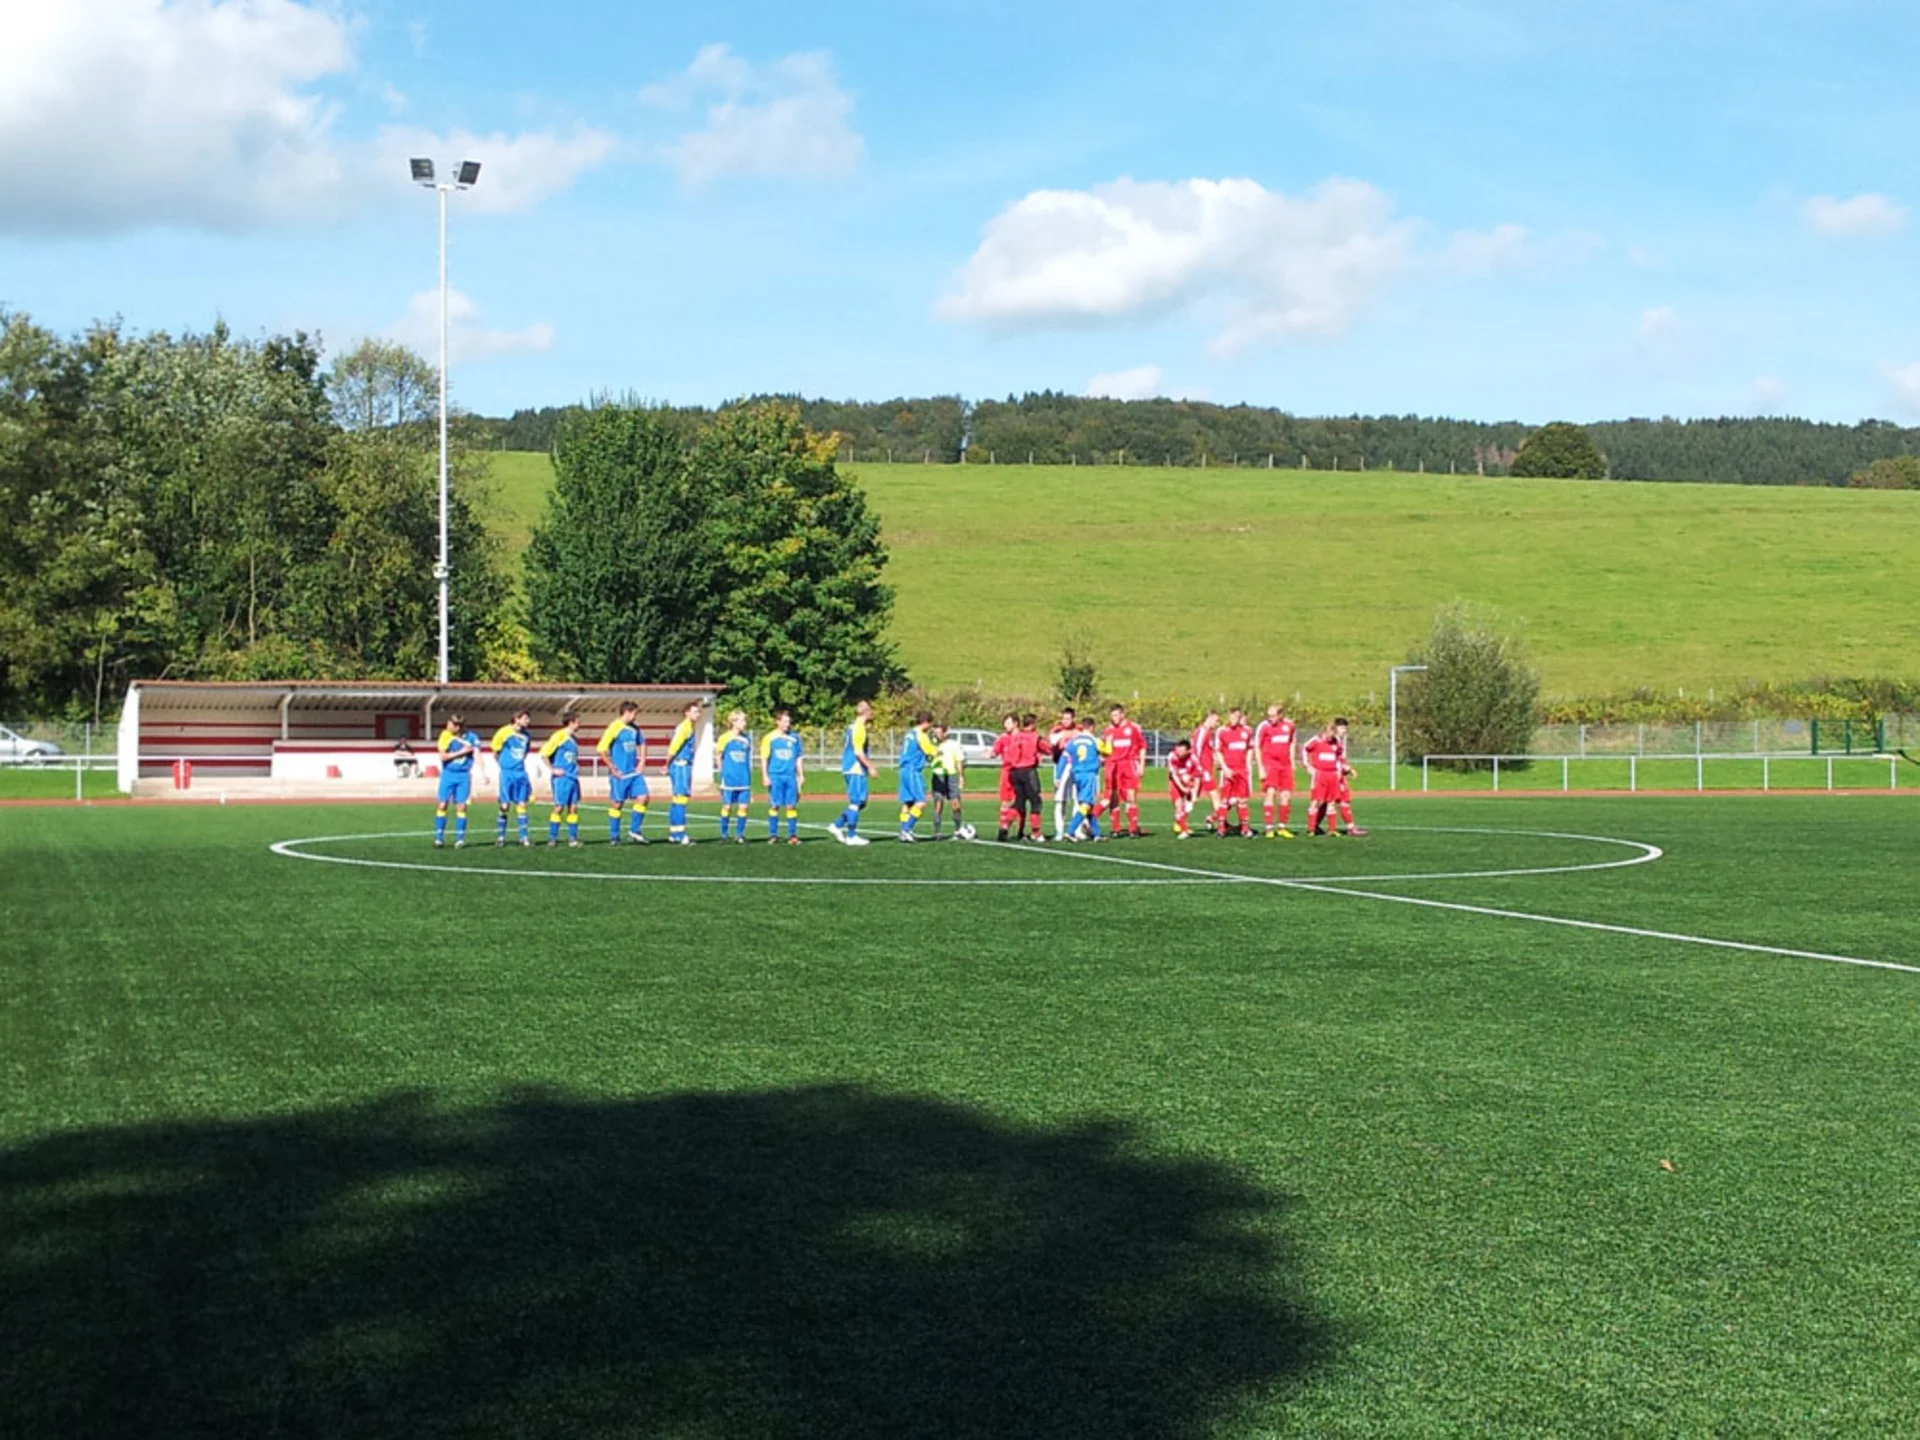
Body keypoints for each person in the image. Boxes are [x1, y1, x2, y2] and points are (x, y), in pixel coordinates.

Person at [598, 701, 650, 845]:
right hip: (620, 774)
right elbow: (601, 749)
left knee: (644, 797)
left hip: (634, 773)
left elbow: (643, 743)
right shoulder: (614, 727)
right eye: (635, 713)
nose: (636, 716)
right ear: (627, 712)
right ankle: (614, 836)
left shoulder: (635, 728)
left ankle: (635, 831)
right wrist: (612, 767)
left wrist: (642, 760)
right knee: (617, 804)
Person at [830, 700, 875, 847]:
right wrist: (870, 767)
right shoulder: (859, 728)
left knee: (861, 802)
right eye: (870, 710)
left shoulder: (853, 726)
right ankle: (851, 835)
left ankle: (837, 825)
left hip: (851, 767)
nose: (872, 713)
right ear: (866, 712)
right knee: (856, 802)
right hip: (855, 768)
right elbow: (858, 752)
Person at [432, 714, 480, 847]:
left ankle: (460, 839)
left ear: (458, 727)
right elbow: (443, 756)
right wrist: (461, 752)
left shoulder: (471, 737)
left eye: (451, 724)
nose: (448, 726)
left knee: (461, 806)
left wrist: (483, 772)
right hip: (448, 774)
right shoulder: (445, 735)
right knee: (442, 804)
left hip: (463, 775)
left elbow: (477, 753)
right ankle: (439, 838)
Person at [1102, 703, 1147, 838]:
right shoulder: (1108, 731)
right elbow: (1105, 750)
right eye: (1112, 715)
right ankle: (1115, 829)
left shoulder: (1132, 729)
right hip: (1114, 766)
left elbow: (1142, 746)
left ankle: (1133, 829)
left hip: (1129, 764)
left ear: (1122, 714)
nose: (1114, 718)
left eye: (1116, 715)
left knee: (1131, 796)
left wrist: (1142, 764)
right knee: (1114, 797)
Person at [761, 709, 805, 844]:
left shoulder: (795, 738)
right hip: (775, 775)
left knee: (791, 805)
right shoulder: (769, 738)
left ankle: (792, 835)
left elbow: (798, 757)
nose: (787, 724)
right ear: (777, 722)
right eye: (785, 721)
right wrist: (765, 776)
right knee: (775, 805)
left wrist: (801, 774)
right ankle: (773, 835)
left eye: (789, 721)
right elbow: (764, 758)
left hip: (790, 776)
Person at [1000, 713, 1046, 842]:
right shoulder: (1035, 737)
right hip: (1028, 771)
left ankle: (1005, 826)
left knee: (1019, 801)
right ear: (1033, 724)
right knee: (1036, 802)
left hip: (1014, 772)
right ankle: (1036, 833)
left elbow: (1010, 754)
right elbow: (1047, 749)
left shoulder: (1015, 736)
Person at [1255, 702, 1298, 840]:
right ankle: (1269, 828)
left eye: (1273, 716)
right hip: (1270, 764)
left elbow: (1292, 742)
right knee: (1271, 793)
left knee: (1286, 795)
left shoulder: (1289, 725)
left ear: (1280, 715)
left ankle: (1282, 827)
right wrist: (1260, 767)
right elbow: (1257, 746)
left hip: (1285, 765)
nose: (1270, 718)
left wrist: (1292, 760)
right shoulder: (1264, 726)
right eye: (1269, 715)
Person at [491, 710, 533, 847]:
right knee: (505, 805)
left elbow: (525, 752)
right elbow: (495, 751)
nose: (528, 721)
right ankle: (501, 837)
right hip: (507, 773)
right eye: (525, 718)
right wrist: (504, 765)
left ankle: (524, 837)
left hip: (520, 772)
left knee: (522, 804)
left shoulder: (527, 736)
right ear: (516, 719)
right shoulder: (504, 732)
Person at [540, 712, 584, 847]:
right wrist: (553, 769)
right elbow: (544, 753)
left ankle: (573, 839)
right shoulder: (559, 736)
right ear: (571, 722)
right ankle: (552, 838)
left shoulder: (574, 739)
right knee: (559, 807)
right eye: (577, 722)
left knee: (573, 808)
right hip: (562, 778)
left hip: (573, 777)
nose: (579, 725)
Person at [1304, 720, 1352, 837]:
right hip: (1319, 774)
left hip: (1333, 775)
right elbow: (1305, 749)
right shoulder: (1316, 740)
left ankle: (1331, 829)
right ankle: (1311, 829)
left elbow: (1339, 757)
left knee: (1332, 802)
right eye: (1330, 733)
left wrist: (1340, 770)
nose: (1331, 736)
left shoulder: (1336, 742)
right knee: (1316, 801)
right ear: (1325, 731)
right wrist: (1307, 765)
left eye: (1333, 733)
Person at [896, 711, 939, 841]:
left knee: (907, 802)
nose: (929, 727)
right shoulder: (921, 734)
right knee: (921, 801)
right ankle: (906, 829)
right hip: (912, 769)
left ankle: (903, 830)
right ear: (925, 722)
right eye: (929, 723)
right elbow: (930, 750)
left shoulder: (909, 733)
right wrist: (940, 751)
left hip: (903, 769)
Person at [664, 701, 702, 846]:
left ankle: (674, 833)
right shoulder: (685, 727)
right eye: (694, 711)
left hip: (682, 765)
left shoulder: (689, 726)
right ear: (686, 713)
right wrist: (666, 763)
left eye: (698, 712)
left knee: (677, 799)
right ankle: (681, 834)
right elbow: (674, 747)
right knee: (681, 799)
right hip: (681, 765)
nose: (697, 714)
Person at [1063, 718, 1108, 841]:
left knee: (1089, 806)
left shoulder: (1074, 740)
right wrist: (1108, 741)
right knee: (1086, 804)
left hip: (1077, 774)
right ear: (1092, 727)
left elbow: (1065, 754)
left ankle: (1097, 834)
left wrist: (1059, 775)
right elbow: (1108, 752)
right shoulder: (1094, 740)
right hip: (1089, 774)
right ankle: (1070, 831)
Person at [1215, 707, 1255, 837]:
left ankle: (1245, 828)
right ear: (1229, 716)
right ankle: (1221, 828)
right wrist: (1225, 768)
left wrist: (1248, 766)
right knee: (1225, 800)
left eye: (1237, 717)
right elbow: (1218, 751)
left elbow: (1250, 748)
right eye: (1232, 716)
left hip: (1242, 770)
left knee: (1242, 800)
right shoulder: (1222, 731)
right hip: (1228, 770)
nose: (1234, 719)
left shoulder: (1247, 731)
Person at [717, 710, 753, 841]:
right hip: (729, 778)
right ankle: (724, 834)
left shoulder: (747, 739)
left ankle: (739, 834)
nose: (745, 723)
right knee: (727, 806)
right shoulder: (724, 738)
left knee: (744, 807)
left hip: (744, 778)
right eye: (742, 720)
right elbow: (719, 757)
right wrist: (722, 774)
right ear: (734, 722)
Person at [1330, 716, 1367, 837]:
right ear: (1335, 728)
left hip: (1339, 774)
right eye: (1341, 728)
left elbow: (1340, 759)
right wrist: (1348, 769)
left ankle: (1315, 827)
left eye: (1345, 728)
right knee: (1340, 801)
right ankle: (1349, 828)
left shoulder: (1339, 741)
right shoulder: (1332, 741)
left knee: (1338, 801)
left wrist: (1347, 768)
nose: (1344, 731)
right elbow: (1333, 759)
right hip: (1335, 776)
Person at [929, 723, 967, 838]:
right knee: (938, 803)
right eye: (935, 733)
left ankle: (958, 829)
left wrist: (961, 776)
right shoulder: (931, 745)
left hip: (951, 776)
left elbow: (959, 761)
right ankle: (937, 832)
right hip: (938, 776)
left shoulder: (953, 744)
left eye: (939, 732)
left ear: (945, 733)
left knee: (956, 804)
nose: (936, 735)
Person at [1190, 708, 1224, 835]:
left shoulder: (1208, 732)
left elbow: (1208, 751)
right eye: (1216, 720)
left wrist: (1216, 761)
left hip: (1206, 770)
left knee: (1195, 797)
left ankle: (1180, 820)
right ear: (1209, 718)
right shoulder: (1202, 731)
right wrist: (1200, 769)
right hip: (1203, 771)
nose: (1217, 723)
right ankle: (1222, 824)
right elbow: (1196, 751)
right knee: (1215, 796)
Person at [1047, 707, 1078, 840]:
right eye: (1064, 718)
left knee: (1077, 798)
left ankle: (1075, 830)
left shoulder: (1078, 731)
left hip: (1076, 766)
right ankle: (1059, 831)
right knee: (1060, 799)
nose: (1065, 721)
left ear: (1073, 719)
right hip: (1060, 766)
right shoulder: (1056, 731)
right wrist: (1063, 736)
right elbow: (1052, 742)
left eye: (1068, 718)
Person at [1166, 737, 1205, 839]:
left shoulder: (1193, 758)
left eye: (1182, 752)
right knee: (1178, 807)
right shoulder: (1172, 756)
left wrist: (1195, 794)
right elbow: (1174, 775)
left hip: (1190, 784)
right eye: (1178, 750)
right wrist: (1182, 788)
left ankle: (1181, 824)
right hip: (1175, 783)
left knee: (1188, 807)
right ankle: (1184, 830)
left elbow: (1198, 777)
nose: (1179, 753)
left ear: (1188, 751)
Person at [988, 712, 1019, 840]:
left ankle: (1016, 829)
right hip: (1006, 772)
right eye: (1005, 723)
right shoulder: (1003, 738)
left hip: (1019, 771)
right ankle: (1003, 827)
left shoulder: (1022, 737)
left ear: (1015, 723)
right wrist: (990, 754)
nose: (1006, 725)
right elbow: (995, 751)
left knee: (1019, 801)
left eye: (1008, 723)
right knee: (1005, 801)